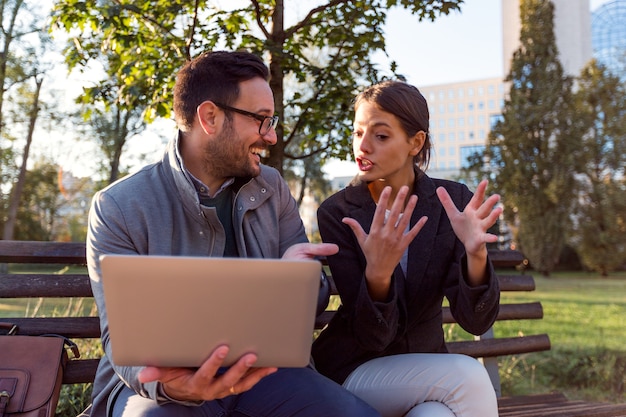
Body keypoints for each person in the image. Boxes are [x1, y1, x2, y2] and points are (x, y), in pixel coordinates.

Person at [85, 50, 381, 417]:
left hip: (266, 373)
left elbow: (314, 296)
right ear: (210, 117)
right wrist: (169, 385)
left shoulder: (272, 188)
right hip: (159, 387)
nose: (271, 136)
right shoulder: (119, 206)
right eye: (261, 120)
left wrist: (297, 280)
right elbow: (119, 338)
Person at [311, 80, 502, 417]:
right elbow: (374, 338)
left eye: (380, 136)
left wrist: (475, 254)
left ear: (416, 142)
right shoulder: (338, 213)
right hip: (355, 370)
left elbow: (475, 321)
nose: (363, 146)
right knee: (469, 376)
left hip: (428, 371)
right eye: (357, 133)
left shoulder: (452, 202)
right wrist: (379, 274)